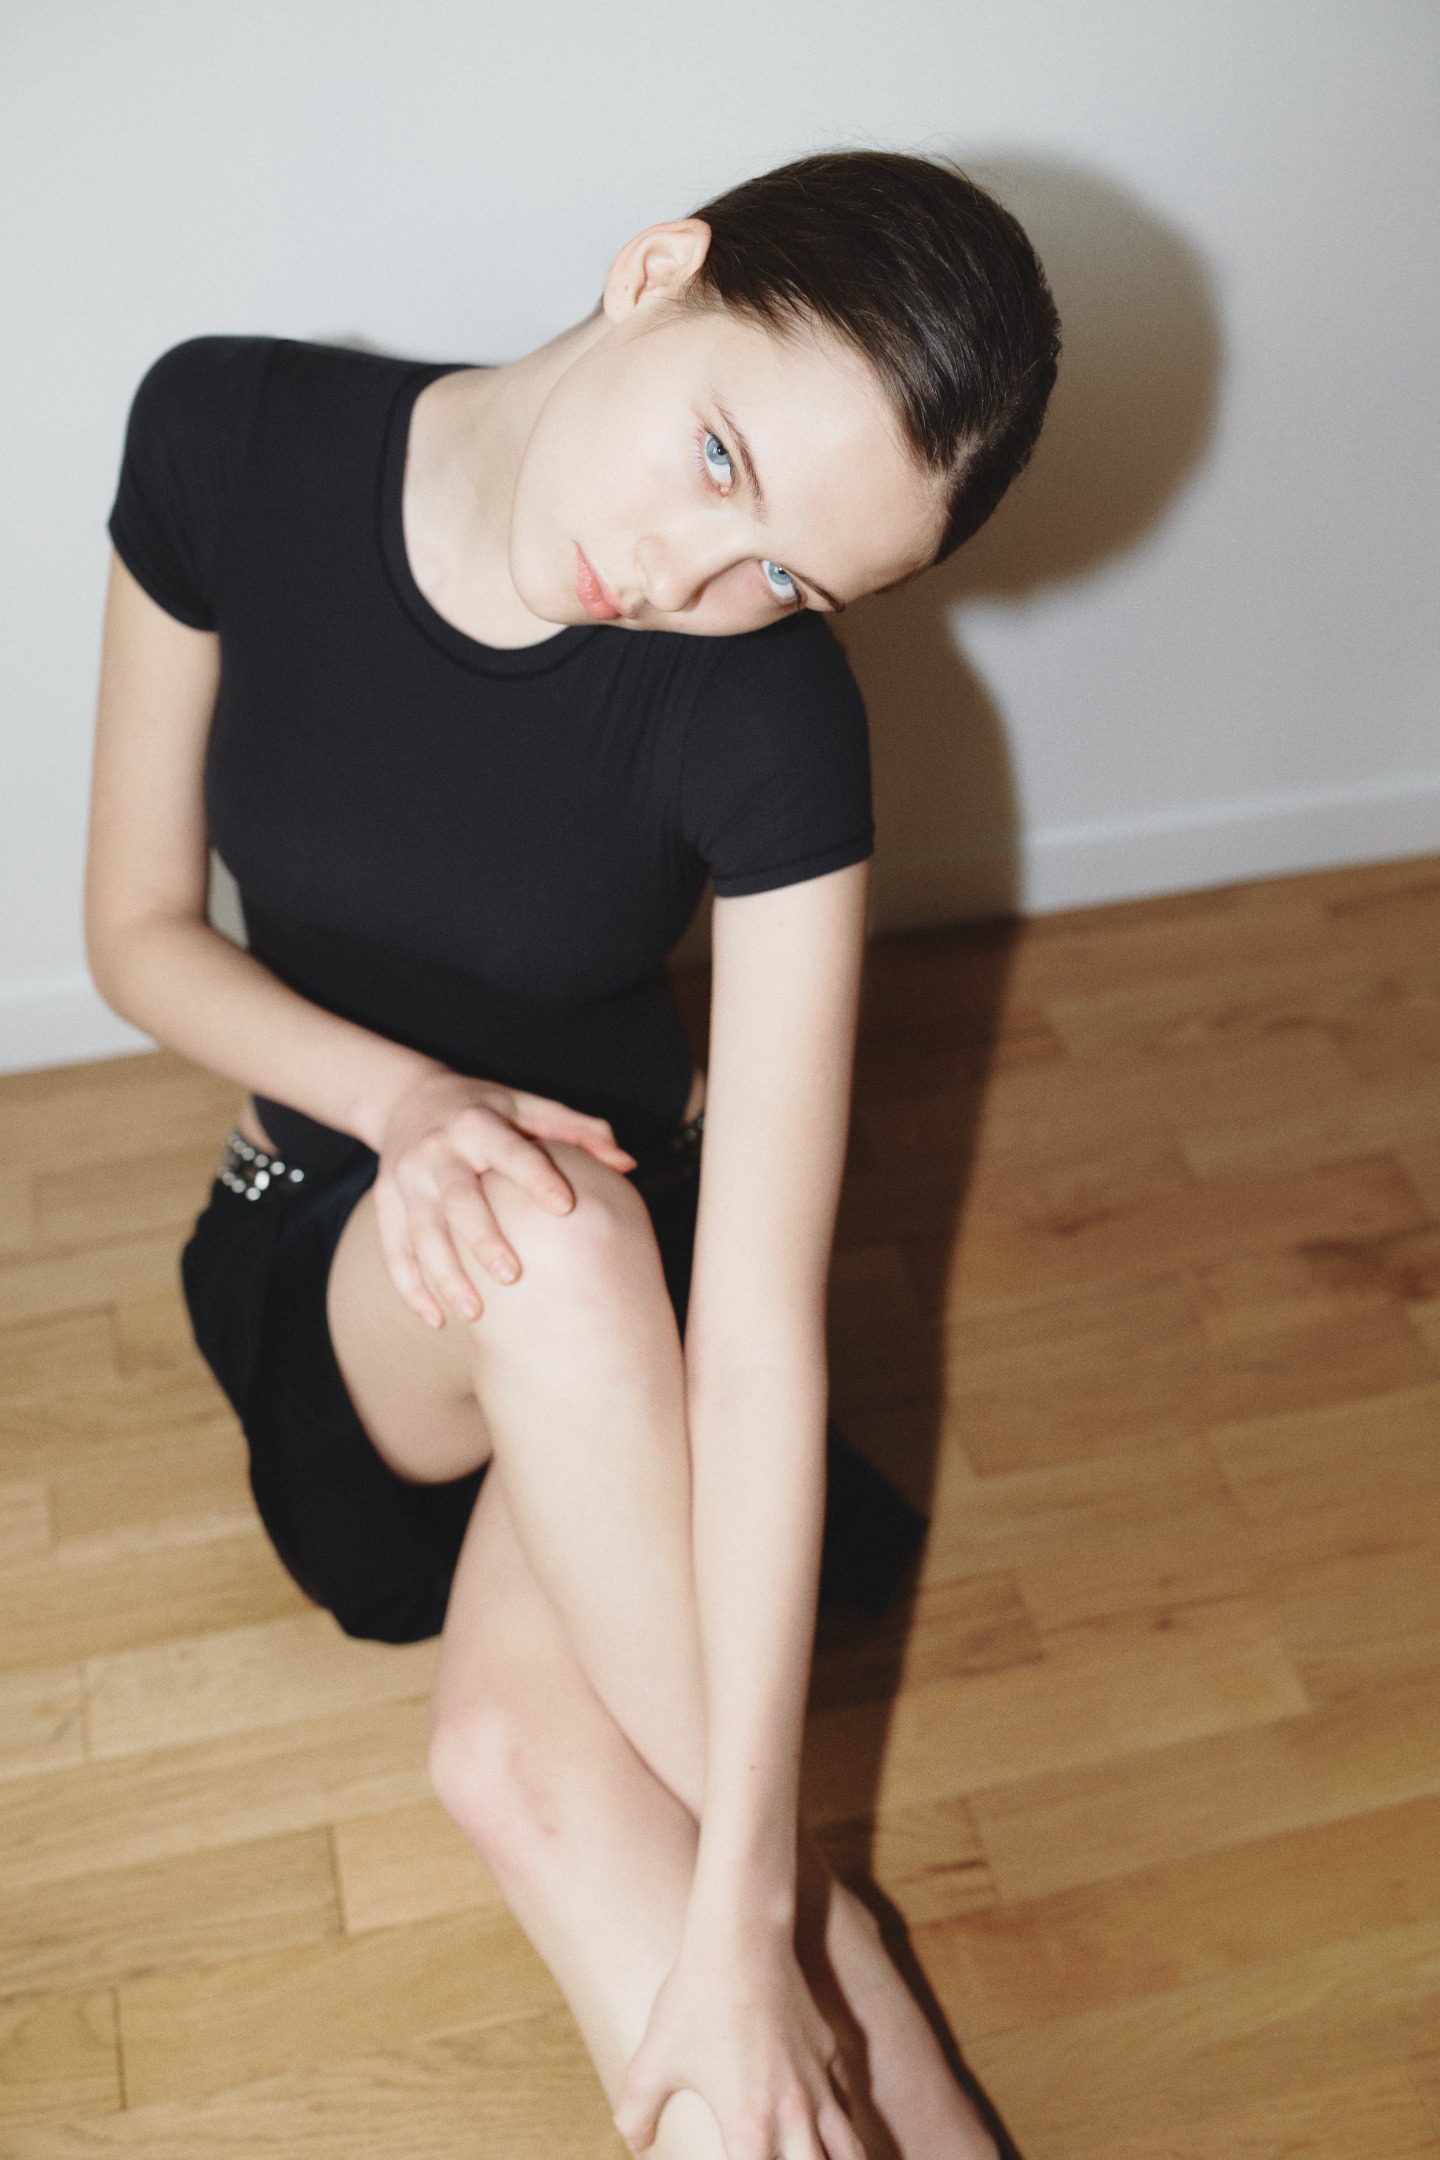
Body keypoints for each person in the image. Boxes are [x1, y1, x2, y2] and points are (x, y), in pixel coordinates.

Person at [86, 150, 1058, 2160]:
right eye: (718, 458)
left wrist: (738, 1909)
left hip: (642, 1289)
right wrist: (408, 1104)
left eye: (788, 578)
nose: (695, 587)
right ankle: (821, 1938)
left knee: (521, 1775)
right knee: (544, 1241)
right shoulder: (228, 437)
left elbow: (758, 1334)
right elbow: (136, 933)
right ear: (657, 271)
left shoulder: (772, 712)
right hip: (351, 1263)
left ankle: (814, 1998)